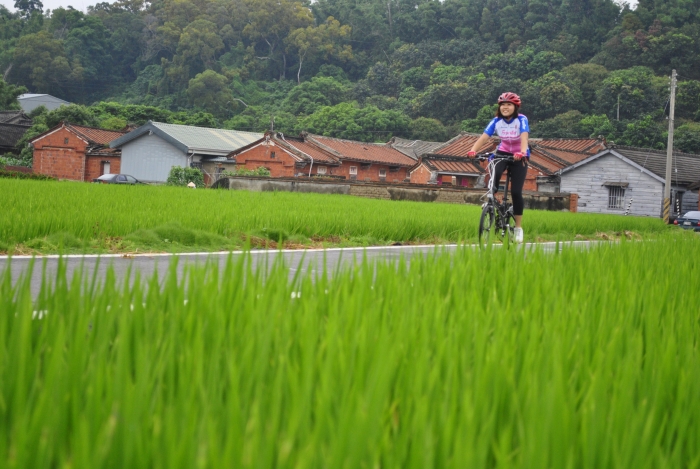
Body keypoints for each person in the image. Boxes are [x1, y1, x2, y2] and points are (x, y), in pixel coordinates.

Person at [467, 92, 529, 243]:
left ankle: (518, 228)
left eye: (509, 105)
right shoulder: (496, 121)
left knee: (516, 191)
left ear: (515, 107)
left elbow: (524, 137)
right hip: (502, 152)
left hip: (519, 155)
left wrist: (522, 152)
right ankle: (490, 202)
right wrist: (473, 150)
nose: (505, 107)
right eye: (503, 105)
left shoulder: (521, 119)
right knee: (493, 174)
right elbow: (484, 136)